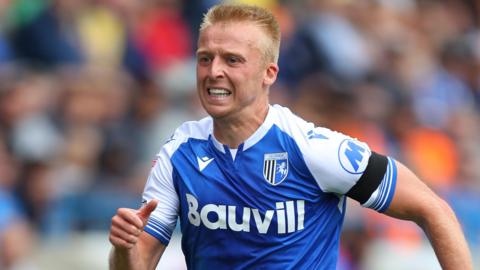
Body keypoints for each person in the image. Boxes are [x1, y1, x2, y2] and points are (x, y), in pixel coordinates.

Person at [108, 3, 473, 269]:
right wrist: (124, 249)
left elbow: (433, 209)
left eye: (232, 60)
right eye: (205, 58)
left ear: (269, 73)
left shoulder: (313, 149)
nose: (214, 71)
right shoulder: (179, 153)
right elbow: (138, 263)